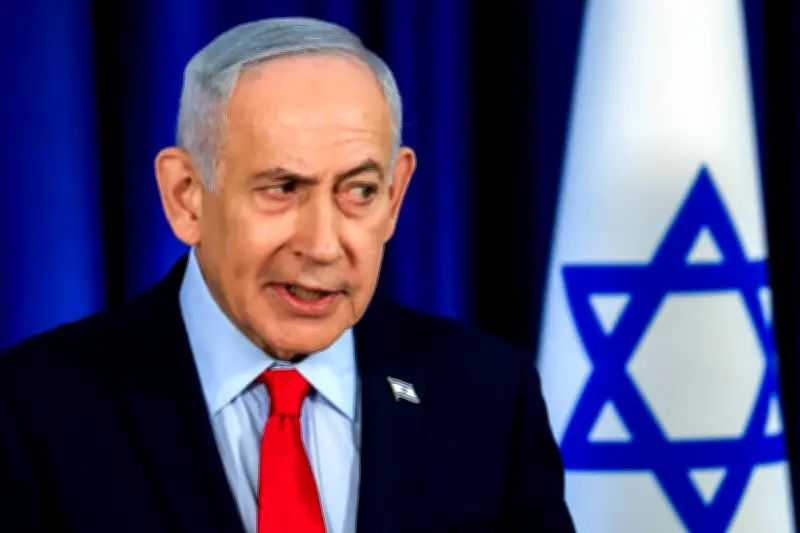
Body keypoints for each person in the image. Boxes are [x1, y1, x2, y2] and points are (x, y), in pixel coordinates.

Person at [0, 17, 575, 533]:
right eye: (282, 189)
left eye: (359, 191)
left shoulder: (488, 395)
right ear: (186, 196)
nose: (322, 245)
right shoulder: (33, 409)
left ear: (395, 195)